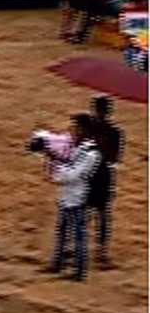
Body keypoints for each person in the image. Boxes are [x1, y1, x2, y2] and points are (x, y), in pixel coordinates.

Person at [43, 114, 102, 281]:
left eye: (76, 127)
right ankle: (58, 263)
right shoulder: (80, 149)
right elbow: (68, 165)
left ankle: (79, 271)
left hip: (78, 198)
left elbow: (73, 175)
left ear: (85, 130)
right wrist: (53, 158)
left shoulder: (91, 154)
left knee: (78, 235)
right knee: (62, 232)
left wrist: (56, 175)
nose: (73, 130)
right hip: (69, 196)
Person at [87, 97, 123, 269]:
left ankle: (96, 250)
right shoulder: (113, 132)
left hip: (97, 174)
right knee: (98, 214)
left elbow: (115, 158)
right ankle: (98, 250)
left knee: (99, 214)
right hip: (98, 174)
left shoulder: (111, 132)